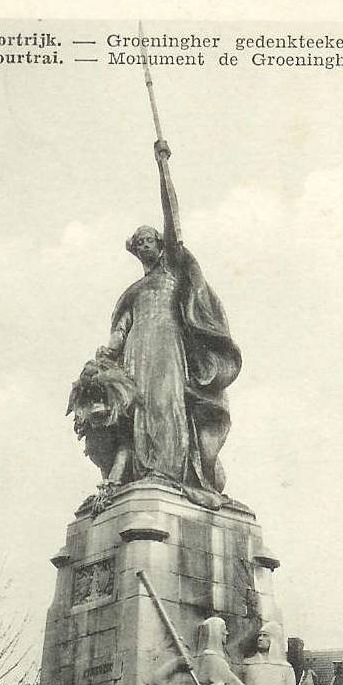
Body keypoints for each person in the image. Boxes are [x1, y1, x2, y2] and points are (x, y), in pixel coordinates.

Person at [96, 140, 241, 505]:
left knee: (166, 403)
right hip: (135, 354)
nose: (145, 243)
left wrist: (163, 168)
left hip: (169, 349)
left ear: (159, 244)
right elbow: (120, 329)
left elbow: (172, 218)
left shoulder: (174, 270)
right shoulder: (133, 290)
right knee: (136, 410)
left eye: (150, 238)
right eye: (139, 241)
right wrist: (107, 352)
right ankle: (138, 474)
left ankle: (169, 471)